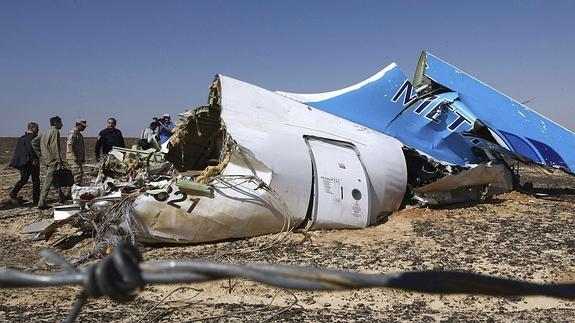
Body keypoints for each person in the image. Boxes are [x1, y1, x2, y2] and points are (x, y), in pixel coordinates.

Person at [32, 116, 66, 210]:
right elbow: (55, 147)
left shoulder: (44, 132)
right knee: (48, 181)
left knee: (53, 178)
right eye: (60, 122)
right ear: (56, 123)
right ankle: (41, 202)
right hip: (52, 160)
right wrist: (59, 160)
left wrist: (41, 154)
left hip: (46, 159)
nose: (62, 125)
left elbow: (34, 142)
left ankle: (61, 196)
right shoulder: (55, 131)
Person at [9, 122, 41, 206]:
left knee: (23, 179)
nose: (38, 130)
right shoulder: (33, 137)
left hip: (23, 162)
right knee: (35, 180)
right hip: (31, 162)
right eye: (37, 128)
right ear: (32, 128)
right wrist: (35, 158)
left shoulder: (22, 138)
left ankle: (13, 193)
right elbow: (31, 148)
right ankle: (36, 200)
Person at [66, 119, 87, 186]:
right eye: (83, 126)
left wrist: (82, 158)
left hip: (78, 158)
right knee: (77, 174)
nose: (84, 128)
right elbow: (70, 145)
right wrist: (74, 155)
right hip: (73, 158)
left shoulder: (79, 134)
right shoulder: (73, 133)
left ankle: (72, 191)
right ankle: (73, 191)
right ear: (77, 125)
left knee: (78, 174)